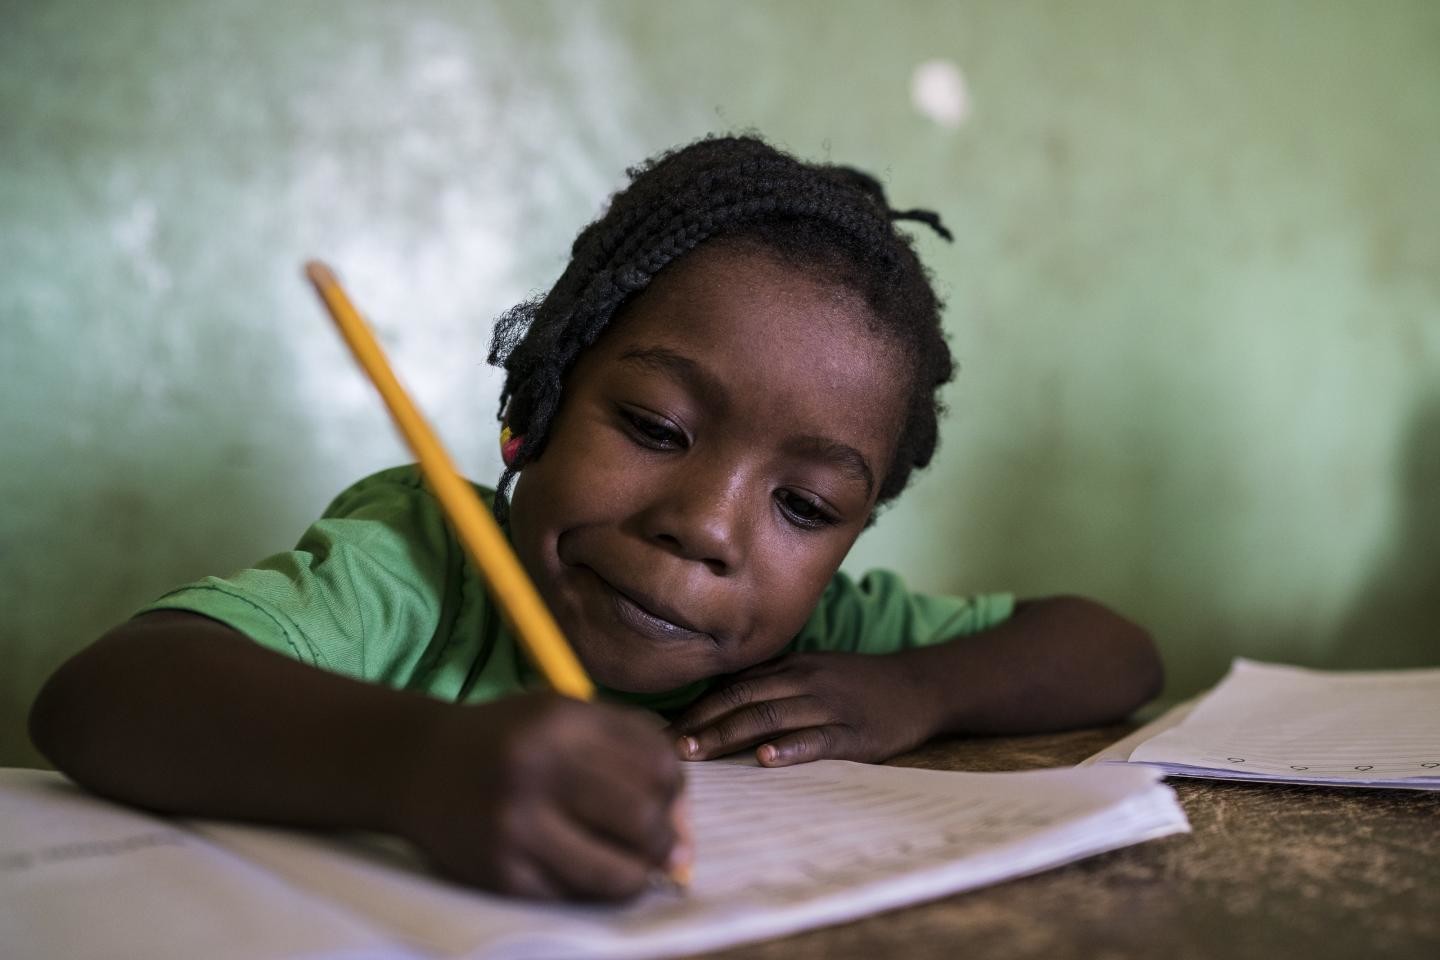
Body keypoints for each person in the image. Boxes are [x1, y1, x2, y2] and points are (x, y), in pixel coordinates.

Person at [29, 135, 1162, 903]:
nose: (707, 528)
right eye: (658, 428)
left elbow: (1115, 651)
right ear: (539, 402)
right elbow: (101, 699)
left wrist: (921, 691)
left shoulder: (824, 655)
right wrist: (420, 767)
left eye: (805, 506)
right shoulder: (421, 563)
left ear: (850, 544)